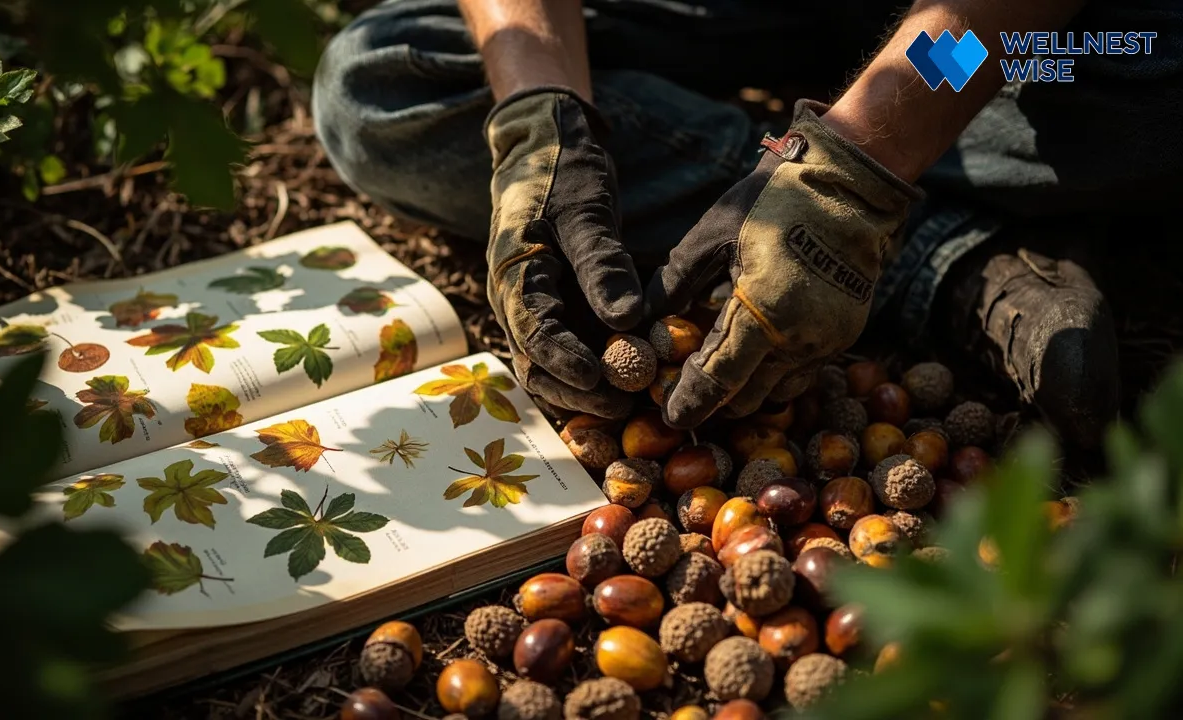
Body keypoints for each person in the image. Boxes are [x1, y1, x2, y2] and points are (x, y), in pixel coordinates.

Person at [313, 0, 1182, 451]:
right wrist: (543, 118)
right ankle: (935, 247)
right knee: (378, 84)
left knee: (1149, 84)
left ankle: (844, 172)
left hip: (979, 28)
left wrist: (859, 159)